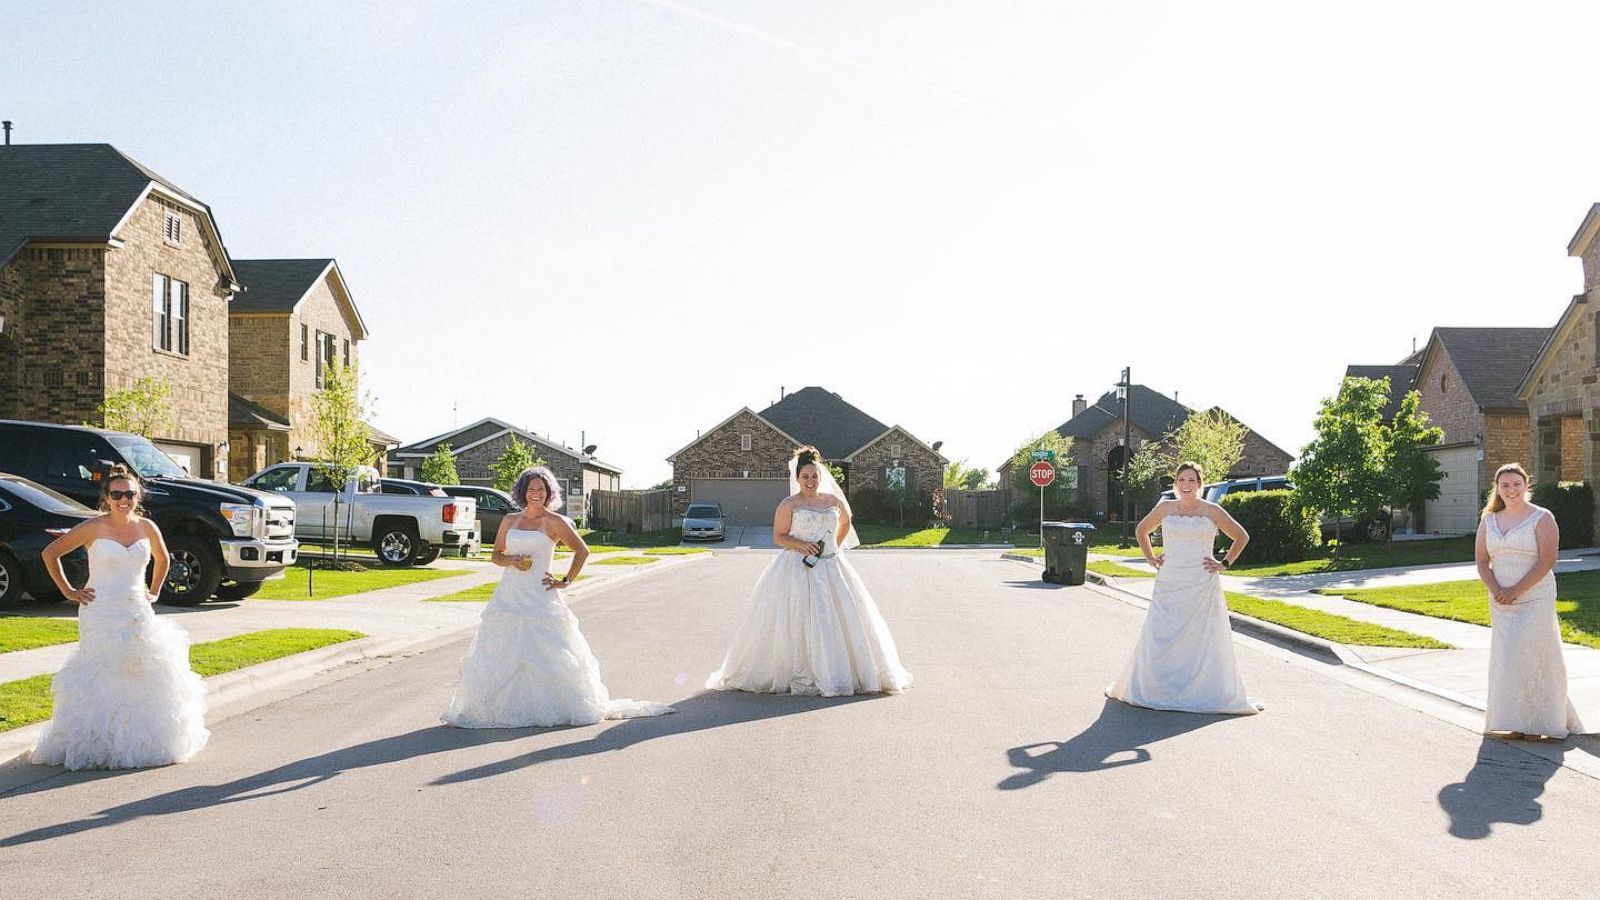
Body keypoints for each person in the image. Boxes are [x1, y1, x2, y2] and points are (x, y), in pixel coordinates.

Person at [443, 465, 672, 727]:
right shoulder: (510, 520)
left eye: (541, 489)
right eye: (531, 489)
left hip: (541, 595)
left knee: (547, 654)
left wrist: (565, 581)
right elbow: (495, 556)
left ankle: (554, 706)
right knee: (502, 652)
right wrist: (510, 560)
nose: (536, 493)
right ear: (522, 492)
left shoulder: (554, 522)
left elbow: (582, 551)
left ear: (549, 492)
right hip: (509, 596)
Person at [29, 465, 209, 769]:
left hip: (136, 609)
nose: (124, 499)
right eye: (117, 494)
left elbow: (163, 558)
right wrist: (70, 590)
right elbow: (50, 553)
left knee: (141, 671)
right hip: (100, 611)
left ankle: (141, 741)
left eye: (130, 493)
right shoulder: (93, 527)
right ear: (107, 497)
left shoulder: (147, 527)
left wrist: (154, 591)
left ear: (138, 496)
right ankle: (98, 743)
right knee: (103, 673)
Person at [707, 445, 912, 696]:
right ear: (797, 479)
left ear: (820, 476)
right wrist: (802, 545)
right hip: (796, 567)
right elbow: (779, 537)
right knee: (797, 618)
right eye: (805, 477)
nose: (811, 481)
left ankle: (839, 672)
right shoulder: (789, 504)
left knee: (836, 618)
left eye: (814, 476)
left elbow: (846, 520)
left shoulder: (833, 501)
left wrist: (834, 544)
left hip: (832, 565)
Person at [1107, 461, 1261, 714]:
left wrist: (1224, 563)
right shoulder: (1165, 507)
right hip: (1169, 581)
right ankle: (1158, 688)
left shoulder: (1211, 510)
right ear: (1176, 483)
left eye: (1191, 480)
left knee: (1200, 638)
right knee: (1161, 634)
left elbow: (1241, 536)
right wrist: (1151, 558)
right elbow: (1141, 530)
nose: (1186, 485)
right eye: (1181, 480)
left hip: (1201, 582)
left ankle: (1201, 689)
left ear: (1200, 484)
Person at [1477, 462, 1587, 740]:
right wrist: (1497, 589)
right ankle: (1515, 722)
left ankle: (1546, 722)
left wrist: (1515, 589)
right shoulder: (1488, 520)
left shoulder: (1542, 517)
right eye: (1505, 485)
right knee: (1508, 658)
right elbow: (1481, 562)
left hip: (1535, 595)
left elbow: (1547, 560)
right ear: (1497, 489)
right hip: (1501, 600)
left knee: (1532, 654)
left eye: (1516, 484)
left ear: (1526, 486)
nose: (1511, 490)